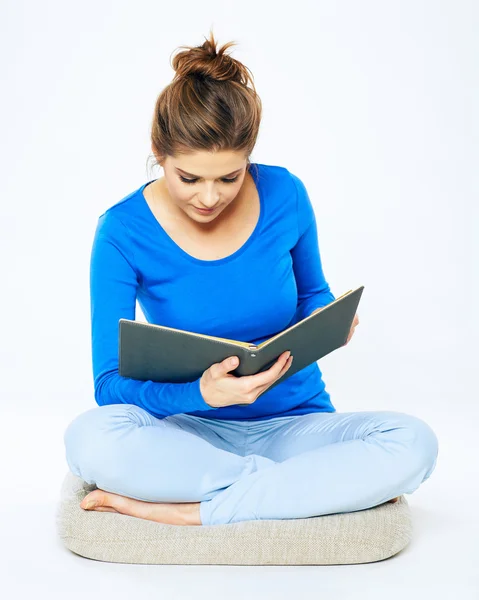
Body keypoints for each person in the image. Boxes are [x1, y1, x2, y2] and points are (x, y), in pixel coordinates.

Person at [63, 31, 439, 527]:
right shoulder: (121, 230)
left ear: (249, 158)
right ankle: (293, 493)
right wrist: (202, 394)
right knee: (89, 438)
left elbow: (312, 293)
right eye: (189, 178)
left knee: (413, 442)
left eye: (229, 177)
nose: (210, 198)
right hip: (186, 435)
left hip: (296, 425)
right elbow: (109, 385)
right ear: (159, 153)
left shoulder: (285, 193)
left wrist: (327, 319)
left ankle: (197, 508)